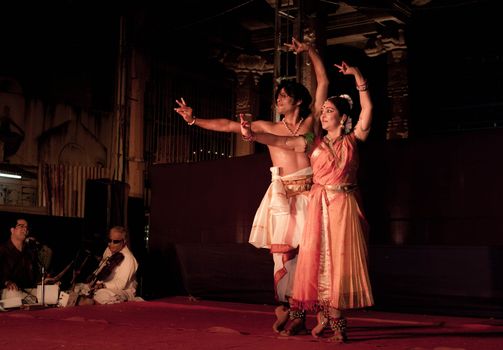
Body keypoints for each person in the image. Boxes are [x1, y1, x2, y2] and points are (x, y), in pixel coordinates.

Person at [174, 38, 329, 334]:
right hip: (282, 195)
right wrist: (194, 120)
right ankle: (289, 308)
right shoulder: (266, 127)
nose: (278, 100)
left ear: (298, 100)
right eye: (277, 97)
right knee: (283, 256)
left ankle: (316, 308)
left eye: (284, 96)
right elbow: (228, 125)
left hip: (310, 193)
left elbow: (322, 81)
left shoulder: (313, 123)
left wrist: (310, 51)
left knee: (314, 254)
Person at [240, 60, 374, 342]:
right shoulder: (313, 140)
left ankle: (337, 324)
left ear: (342, 117)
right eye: (322, 110)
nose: (323, 115)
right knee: (309, 260)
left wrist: (358, 76)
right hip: (318, 205)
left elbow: (368, 110)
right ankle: (300, 316)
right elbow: (281, 142)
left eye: (329, 111)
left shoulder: (354, 139)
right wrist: (253, 134)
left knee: (338, 263)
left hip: (345, 207)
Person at [77, 226, 139, 305]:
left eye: (115, 242)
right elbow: (101, 269)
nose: (111, 244)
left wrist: (102, 285)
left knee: (103, 295)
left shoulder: (128, 259)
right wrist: (92, 283)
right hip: (102, 286)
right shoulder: (108, 250)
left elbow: (121, 284)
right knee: (79, 288)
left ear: (124, 241)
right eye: (109, 240)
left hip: (124, 291)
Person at [0, 218, 41, 302]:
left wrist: (45, 280)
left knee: (49, 292)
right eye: (21, 226)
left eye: (26, 227)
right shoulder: (2, 250)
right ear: (12, 230)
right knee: (14, 294)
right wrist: (6, 282)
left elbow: (35, 274)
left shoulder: (30, 251)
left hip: (27, 290)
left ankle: (33, 301)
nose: (25, 229)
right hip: (9, 290)